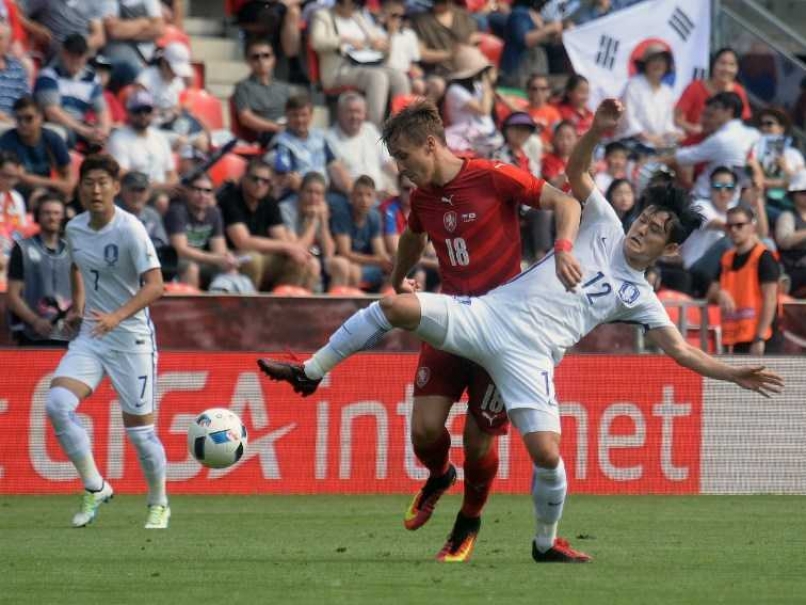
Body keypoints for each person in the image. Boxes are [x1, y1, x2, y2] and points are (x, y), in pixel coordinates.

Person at [256, 99, 784, 564]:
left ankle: (543, 542)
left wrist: (733, 372)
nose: (642, 228)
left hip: (530, 359)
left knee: (548, 455)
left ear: (669, 251)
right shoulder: (603, 223)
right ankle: (311, 371)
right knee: (394, 305)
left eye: (655, 232)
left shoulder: (639, 297)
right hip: (486, 313)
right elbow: (575, 179)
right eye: (645, 218)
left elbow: (682, 351)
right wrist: (597, 134)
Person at [45, 153, 170, 529]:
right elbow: (76, 265)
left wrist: (117, 315)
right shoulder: (75, 229)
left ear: (116, 188)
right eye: (89, 182)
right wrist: (78, 307)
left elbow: (157, 286)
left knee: (140, 433)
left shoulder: (130, 230)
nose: (95, 189)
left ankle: (159, 501)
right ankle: (95, 485)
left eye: (103, 182)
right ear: (79, 188)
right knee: (57, 404)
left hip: (130, 340)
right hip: (92, 336)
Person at [309, 0, 410, 127]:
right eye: (352, 4)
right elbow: (316, 42)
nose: (355, 7)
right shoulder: (323, 15)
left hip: (366, 63)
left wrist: (379, 43)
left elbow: (374, 40)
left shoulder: (357, 16)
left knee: (399, 77)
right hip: (339, 70)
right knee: (377, 77)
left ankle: (401, 127)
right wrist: (344, 40)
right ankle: (374, 130)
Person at [706, 205, 780, 354]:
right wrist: (720, 293)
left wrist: (759, 338)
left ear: (752, 227)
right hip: (737, 339)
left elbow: (770, 300)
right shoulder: (726, 259)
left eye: (739, 225)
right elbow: (710, 294)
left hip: (762, 340)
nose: (733, 230)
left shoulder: (764, 257)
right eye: (729, 226)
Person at [6, 194, 72, 347]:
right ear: (37, 216)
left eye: (56, 213)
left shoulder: (73, 251)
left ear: (63, 217)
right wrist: (35, 321)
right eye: (47, 213)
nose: (52, 217)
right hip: (32, 333)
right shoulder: (22, 248)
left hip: (67, 333)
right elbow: (13, 295)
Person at [34, 33, 111, 150]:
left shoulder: (91, 78)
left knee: (112, 137)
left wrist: (103, 132)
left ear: (86, 56)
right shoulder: (48, 76)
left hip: (79, 125)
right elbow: (52, 112)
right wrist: (83, 130)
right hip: (54, 126)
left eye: (80, 55)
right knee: (65, 134)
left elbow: (103, 110)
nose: (76, 60)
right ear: (63, 53)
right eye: (72, 55)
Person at [164, 171, 238, 289]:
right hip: (173, 261)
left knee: (230, 268)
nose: (202, 195)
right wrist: (215, 258)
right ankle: (193, 307)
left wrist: (226, 258)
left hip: (200, 259)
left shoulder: (214, 212)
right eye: (197, 189)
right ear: (187, 191)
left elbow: (219, 249)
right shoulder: (177, 211)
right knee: (191, 268)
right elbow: (180, 250)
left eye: (207, 191)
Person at [0, 95, 74, 197]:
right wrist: (57, 184)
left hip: (51, 193)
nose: (23, 123)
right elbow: (17, 177)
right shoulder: (8, 140)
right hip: (20, 192)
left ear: (41, 117)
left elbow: (69, 181)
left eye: (28, 118)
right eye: (18, 118)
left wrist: (58, 186)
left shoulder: (53, 139)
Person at [674, 48, 752, 144]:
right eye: (722, 63)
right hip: (696, 144)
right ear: (713, 64)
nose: (726, 69)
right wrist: (693, 129)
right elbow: (677, 118)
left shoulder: (739, 91)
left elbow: (745, 121)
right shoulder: (695, 87)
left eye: (732, 65)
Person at [330, 175, 392, 292]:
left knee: (395, 270)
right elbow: (344, 253)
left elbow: (380, 253)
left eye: (369, 195)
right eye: (359, 194)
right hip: (345, 264)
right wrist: (377, 260)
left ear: (374, 198)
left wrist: (387, 262)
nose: (364, 200)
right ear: (352, 197)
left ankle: (384, 306)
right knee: (353, 270)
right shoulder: (342, 214)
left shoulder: (375, 216)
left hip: (366, 265)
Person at [232, 37, 293, 147]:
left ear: (273, 59)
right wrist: (275, 127)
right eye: (255, 57)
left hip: (287, 129)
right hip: (263, 135)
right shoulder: (243, 87)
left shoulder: (283, 88)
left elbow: (293, 111)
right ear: (248, 61)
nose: (261, 61)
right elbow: (245, 118)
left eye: (266, 56)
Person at [618, 43, 680, 149]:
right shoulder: (633, 86)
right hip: (633, 141)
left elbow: (667, 124)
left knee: (678, 149)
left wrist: (673, 134)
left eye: (662, 61)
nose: (658, 64)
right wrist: (648, 137)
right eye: (654, 60)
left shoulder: (667, 92)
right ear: (645, 64)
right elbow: (628, 119)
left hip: (658, 143)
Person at [776, 170, 806, 296]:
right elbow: (784, 241)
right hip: (794, 269)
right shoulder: (787, 216)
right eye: (804, 192)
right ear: (793, 194)